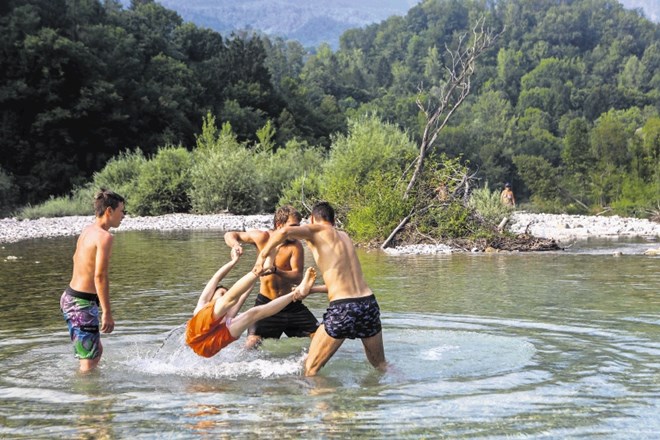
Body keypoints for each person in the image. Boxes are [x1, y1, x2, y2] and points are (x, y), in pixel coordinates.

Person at [253, 201, 386, 377]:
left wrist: (263, 256)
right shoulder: (344, 236)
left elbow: (283, 231)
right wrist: (311, 290)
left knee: (310, 370)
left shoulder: (317, 230)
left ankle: (324, 402)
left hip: (343, 308)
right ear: (334, 219)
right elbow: (342, 284)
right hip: (368, 304)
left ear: (311, 219)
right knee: (381, 366)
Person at [185, 249, 317, 358]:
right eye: (221, 292)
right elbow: (216, 278)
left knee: (254, 313)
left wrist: (261, 271)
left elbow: (243, 295)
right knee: (227, 300)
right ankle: (259, 270)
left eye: (225, 292)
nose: (224, 293)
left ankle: (296, 292)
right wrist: (233, 261)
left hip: (210, 347)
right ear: (212, 295)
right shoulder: (202, 305)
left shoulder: (229, 314)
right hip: (196, 334)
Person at [224, 206, 320, 348]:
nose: (297, 230)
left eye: (298, 226)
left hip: (290, 303)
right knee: (251, 343)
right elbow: (230, 235)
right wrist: (235, 245)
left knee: (321, 336)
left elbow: (297, 278)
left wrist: (275, 270)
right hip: (266, 303)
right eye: (293, 226)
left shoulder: (296, 246)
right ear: (279, 225)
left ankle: (309, 365)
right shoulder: (262, 237)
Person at [60, 188, 126, 373]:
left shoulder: (88, 231)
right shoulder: (105, 237)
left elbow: (75, 259)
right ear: (109, 211)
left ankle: (93, 396)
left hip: (73, 298)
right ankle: (90, 399)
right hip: (80, 303)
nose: (124, 216)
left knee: (95, 352)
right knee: (88, 364)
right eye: (122, 211)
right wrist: (107, 312)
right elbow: (100, 276)